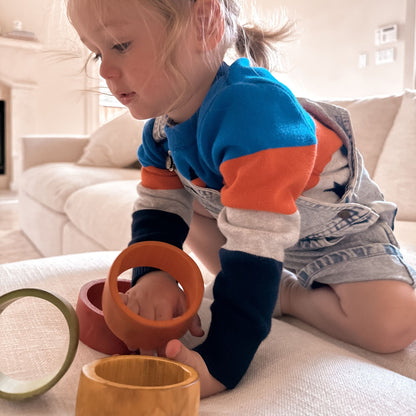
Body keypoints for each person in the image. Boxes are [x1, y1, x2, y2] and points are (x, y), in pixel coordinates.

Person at [67, 0, 416, 398]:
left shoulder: (256, 113)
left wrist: (220, 362)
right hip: (256, 226)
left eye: (121, 45)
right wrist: (155, 273)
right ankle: (278, 289)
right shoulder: (160, 133)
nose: (104, 70)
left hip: (335, 233)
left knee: (393, 324)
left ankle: (284, 294)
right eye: (97, 51)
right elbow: (158, 210)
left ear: (205, 23)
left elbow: (255, 245)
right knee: (185, 201)